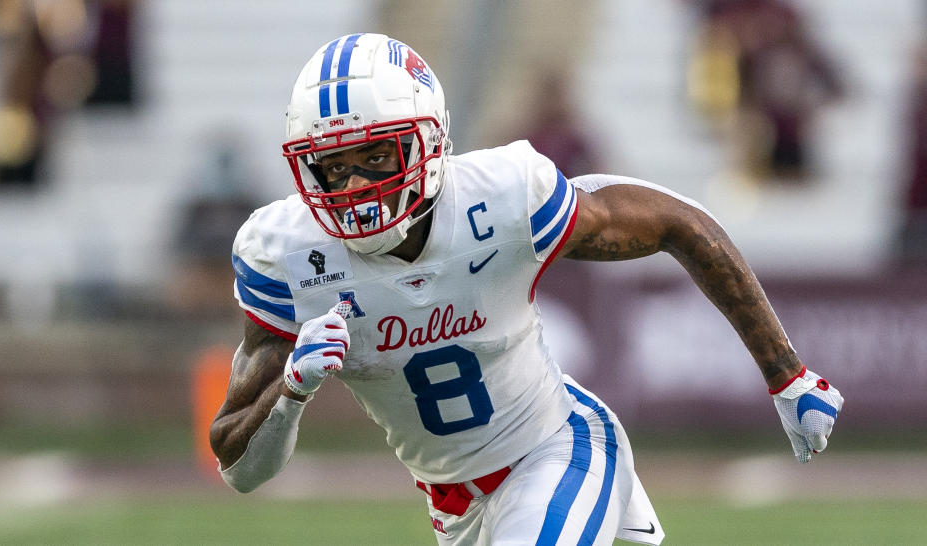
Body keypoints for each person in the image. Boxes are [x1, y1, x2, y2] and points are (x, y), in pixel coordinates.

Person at [209, 33, 844, 545]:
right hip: (455, 510)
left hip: (558, 447)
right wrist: (293, 390)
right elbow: (240, 470)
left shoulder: (501, 196)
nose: (353, 188)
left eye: (375, 157)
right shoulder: (287, 254)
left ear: (428, 144)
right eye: (333, 165)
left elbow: (677, 222)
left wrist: (787, 374)